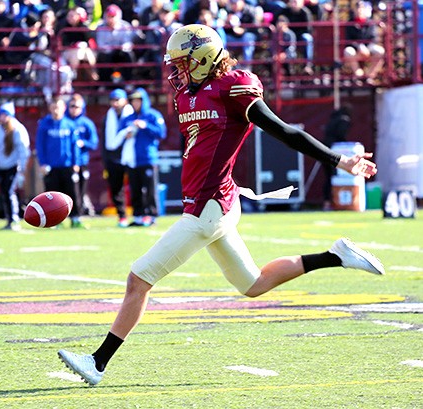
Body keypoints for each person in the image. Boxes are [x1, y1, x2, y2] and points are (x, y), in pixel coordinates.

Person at [57, 24, 385, 386]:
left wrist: (340, 161)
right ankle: (335, 256)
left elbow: (284, 132)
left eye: (182, 63)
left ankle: (97, 363)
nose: (177, 71)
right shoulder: (188, 94)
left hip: (208, 208)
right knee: (254, 284)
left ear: (202, 58)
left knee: (139, 279)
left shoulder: (233, 87)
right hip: (215, 200)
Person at [117, 88, 166, 227]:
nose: (135, 103)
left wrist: (145, 126)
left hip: (148, 158)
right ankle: (138, 216)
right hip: (132, 160)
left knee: (150, 189)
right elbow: (119, 135)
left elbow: (161, 133)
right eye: (133, 101)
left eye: (138, 100)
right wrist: (125, 134)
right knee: (135, 189)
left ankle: (151, 215)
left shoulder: (153, 115)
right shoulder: (128, 118)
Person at [35, 96, 82, 228]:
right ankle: (55, 221)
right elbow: (40, 146)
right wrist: (42, 163)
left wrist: (76, 162)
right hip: (51, 166)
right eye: (54, 107)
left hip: (67, 165)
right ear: (50, 108)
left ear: (64, 108)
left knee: (72, 193)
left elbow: (74, 146)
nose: (56, 110)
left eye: (58, 107)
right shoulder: (44, 124)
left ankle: (75, 218)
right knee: (52, 196)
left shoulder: (70, 125)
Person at [0, 102, 30, 230]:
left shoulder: (18, 129)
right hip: (1, 167)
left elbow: (23, 150)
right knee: (5, 193)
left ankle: (14, 218)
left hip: (13, 166)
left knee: (9, 192)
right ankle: (9, 218)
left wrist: (22, 169)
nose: (2, 117)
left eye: (4, 115)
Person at [102, 88, 134, 227]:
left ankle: (141, 214)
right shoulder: (107, 117)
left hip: (130, 157)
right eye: (112, 100)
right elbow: (106, 141)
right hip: (113, 158)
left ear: (125, 101)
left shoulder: (132, 116)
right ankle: (122, 216)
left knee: (136, 186)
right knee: (116, 188)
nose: (115, 103)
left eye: (117, 100)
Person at [67, 93, 99, 217]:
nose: (74, 109)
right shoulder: (64, 122)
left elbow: (94, 143)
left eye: (77, 106)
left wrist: (83, 143)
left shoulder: (86, 123)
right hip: (66, 162)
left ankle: (77, 216)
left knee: (79, 191)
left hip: (82, 161)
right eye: (71, 106)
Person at [321, 104, 351, 211]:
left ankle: (327, 202)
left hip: (324, 149)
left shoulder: (332, 119)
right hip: (335, 151)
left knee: (328, 177)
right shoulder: (343, 120)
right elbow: (340, 135)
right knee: (336, 177)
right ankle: (336, 201)